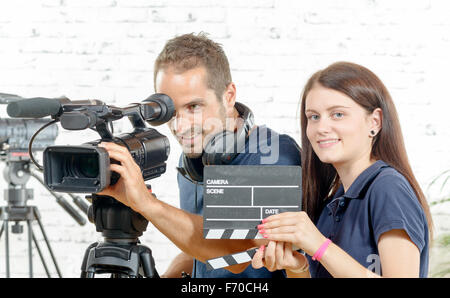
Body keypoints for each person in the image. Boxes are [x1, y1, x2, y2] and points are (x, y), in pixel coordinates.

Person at [96, 33, 302, 278]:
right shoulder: (195, 159)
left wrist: (147, 203)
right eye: (170, 111)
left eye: (193, 107)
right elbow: (200, 249)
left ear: (229, 96)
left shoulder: (274, 156)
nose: (180, 126)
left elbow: (235, 256)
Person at [252, 61, 433, 278]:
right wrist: (297, 267)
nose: (321, 128)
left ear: (374, 121)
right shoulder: (334, 202)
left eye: (338, 114)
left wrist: (319, 246)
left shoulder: (388, 188)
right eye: (314, 117)